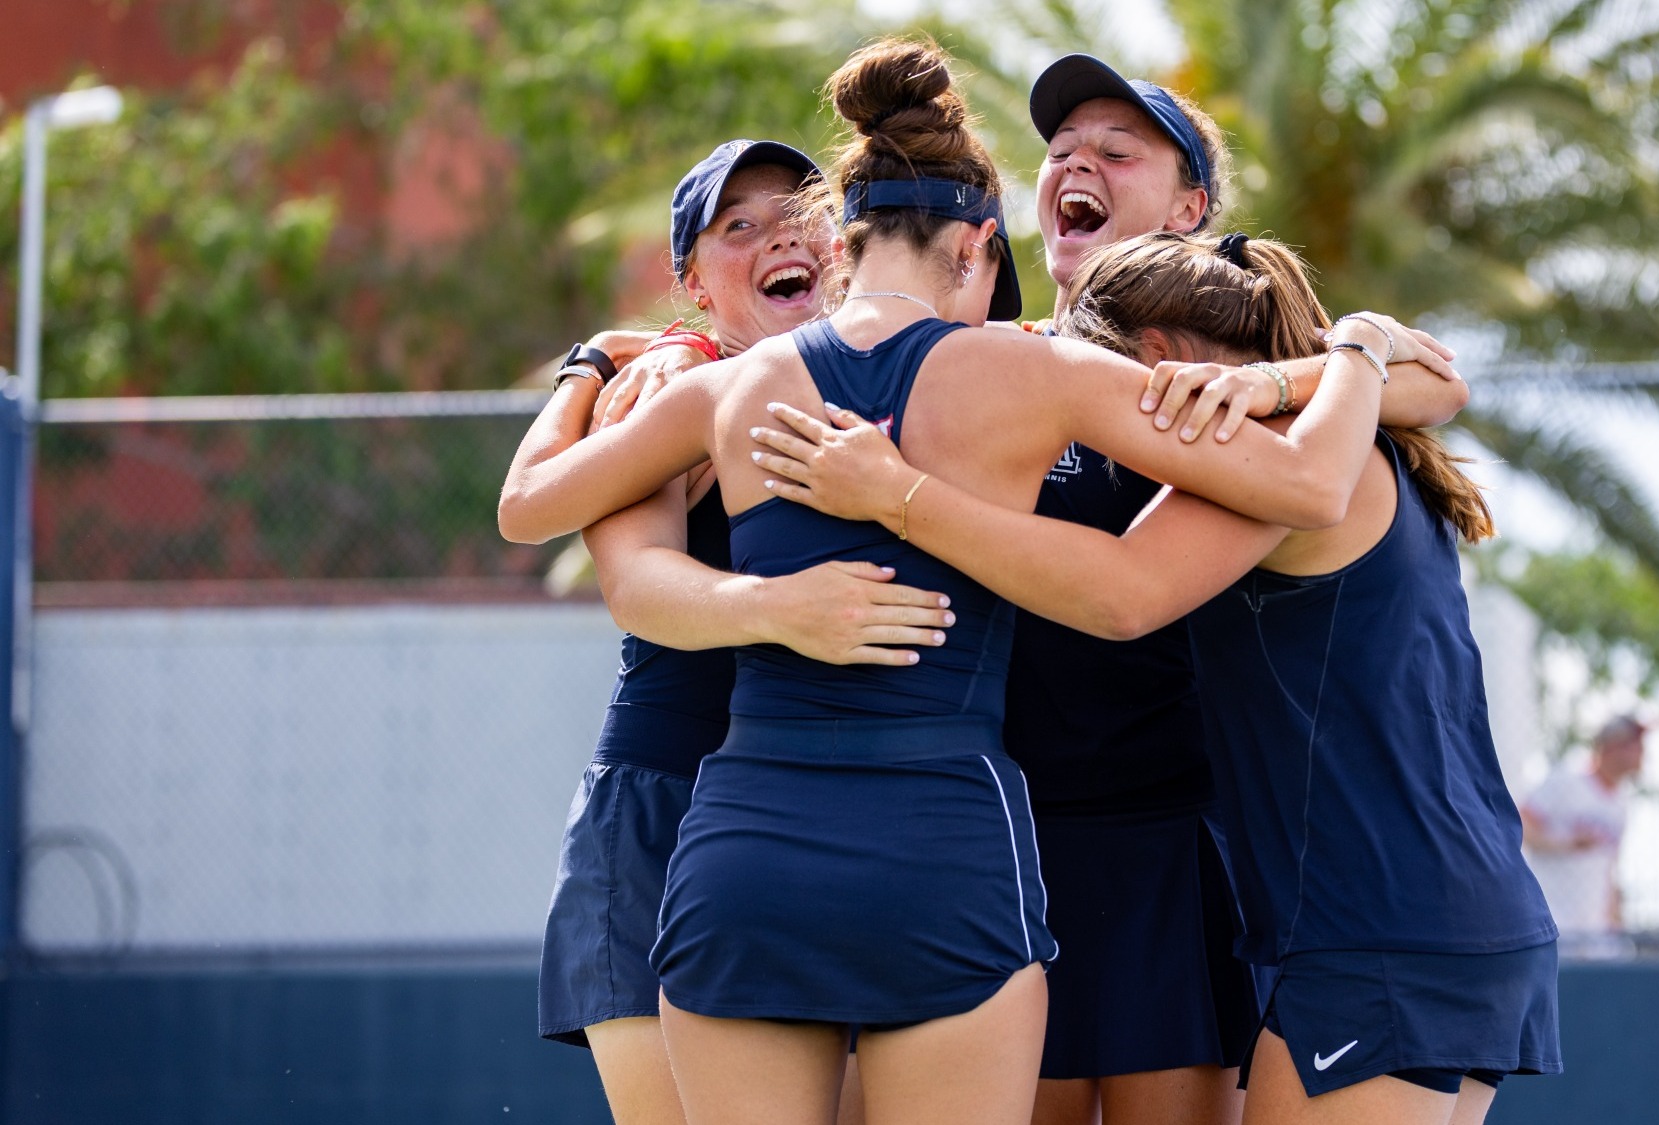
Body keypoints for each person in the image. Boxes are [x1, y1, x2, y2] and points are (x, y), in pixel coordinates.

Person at [497, 37, 1436, 1124]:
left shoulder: (729, 388)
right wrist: (1355, 355)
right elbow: (1308, 484)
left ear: (841, 246)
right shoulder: (1039, 370)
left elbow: (528, 507)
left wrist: (598, 364)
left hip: (746, 849)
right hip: (945, 845)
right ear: (980, 246)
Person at [750, 230, 1561, 1125]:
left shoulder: (1274, 457)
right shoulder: (1350, 431)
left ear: (1158, 360)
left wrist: (894, 496)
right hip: (1447, 916)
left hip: (1377, 932)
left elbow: (1122, 594)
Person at [1006, 54, 1467, 1125]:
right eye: (1060, 151)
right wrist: (670, 349)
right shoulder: (996, 360)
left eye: (1116, 152)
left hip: (1182, 844)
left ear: (1189, 208)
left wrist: (1280, 374)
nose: (1076, 164)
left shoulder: (1227, 360)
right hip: (1012, 838)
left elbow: (1431, 375)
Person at [508, 138, 954, 1125]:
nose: (776, 239)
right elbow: (599, 558)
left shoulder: (899, 380)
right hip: (668, 802)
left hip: (837, 808)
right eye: (737, 227)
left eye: (797, 216)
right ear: (694, 285)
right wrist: (596, 364)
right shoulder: (672, 392)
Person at [1520, 715, 1648, 959]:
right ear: (1611, 747)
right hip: (1554, 916)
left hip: (1596, 927)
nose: (1641, 752)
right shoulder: (1565, 782)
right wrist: (1565, 844)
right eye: (1633, 744)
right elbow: (1520, 824)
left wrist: (1614, 916)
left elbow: (1610, 867)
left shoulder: (1621, 803)